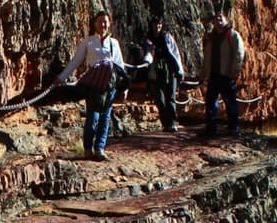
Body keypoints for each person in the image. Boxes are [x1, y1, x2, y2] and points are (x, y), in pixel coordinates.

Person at [58, 11, 130, 161]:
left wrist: (125, 88)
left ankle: (100, 149)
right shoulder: (88, 42)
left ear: (109, 24)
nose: (102, 25)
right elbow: (76, 61)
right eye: (99, 22)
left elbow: (120, 66)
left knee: (105, 117)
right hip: (93, 86)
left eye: (105, 22)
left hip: (110, 86)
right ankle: (87, 149)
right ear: (94, 24)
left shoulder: (113, 43)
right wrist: (61, 78)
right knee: (92, 117)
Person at [200, 11, 246, 137]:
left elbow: (239, 54)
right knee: (211, 102)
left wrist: (234, 72)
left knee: (230, 101)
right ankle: (211, 128)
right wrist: (204, 74)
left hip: (227, 75)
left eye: (221, 17)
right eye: (216, 18)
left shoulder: (233, 35)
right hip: (214, 74)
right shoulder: (211, 38)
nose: (218, 20)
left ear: (226, 19)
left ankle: (233, 127)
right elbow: (207, 57)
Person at [142, 17, 185, 132]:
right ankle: (165, 123)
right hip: (156, 71)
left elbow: (175, 54)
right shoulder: (148, 40)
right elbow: (148, 53)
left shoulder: (167, 38)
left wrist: (179, 70)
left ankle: (172, 122)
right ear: (151, 26)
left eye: (160, 24)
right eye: (155, 24)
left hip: (170, 69)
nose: (157, 27)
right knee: (160, 99)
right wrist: (147, 61)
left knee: (170, 96)